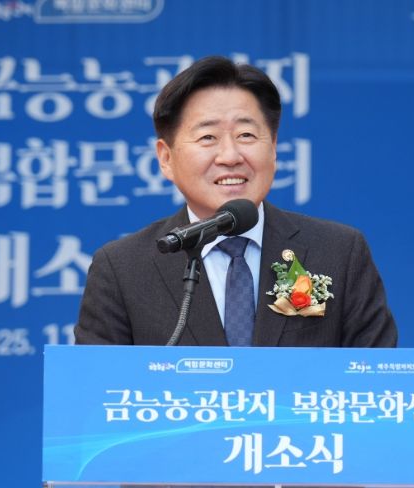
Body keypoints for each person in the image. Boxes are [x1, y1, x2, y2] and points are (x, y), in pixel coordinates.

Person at [75, 56, 397, 347]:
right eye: (208, 137)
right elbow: (95, 388)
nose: (230, 156)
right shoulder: (123, 269)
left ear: (273, 148)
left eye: (246, 135)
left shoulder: (339, 252)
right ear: (166, 158)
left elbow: (376, 379)